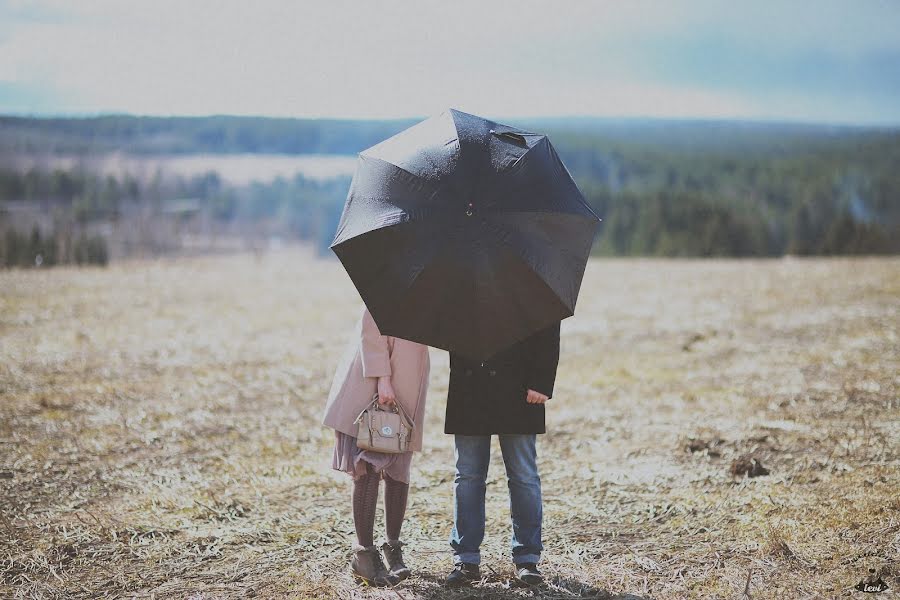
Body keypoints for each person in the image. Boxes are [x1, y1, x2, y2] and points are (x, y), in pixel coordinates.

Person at [443, 320, 561, 587]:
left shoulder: (532, 278)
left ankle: (527, 558)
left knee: (524, 476)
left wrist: (542, 379)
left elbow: (548, 320)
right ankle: (466, 559)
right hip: (469, 387)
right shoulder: (455, 279)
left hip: (520, 389)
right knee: (468, 476)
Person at [322, 306, 431, 587]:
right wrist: (383, 378)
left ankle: (393, 547)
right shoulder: (389, 281)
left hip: (407, 388)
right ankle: (364, 554)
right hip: (375, 386)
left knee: (399, 470)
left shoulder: (429, 289)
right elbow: (370, 330)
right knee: (368, 466)